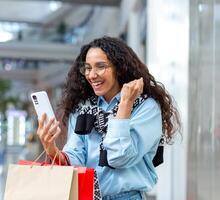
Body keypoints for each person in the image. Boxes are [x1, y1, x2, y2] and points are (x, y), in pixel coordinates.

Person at [36, 36, 181, 200]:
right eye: (88, 68)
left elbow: (119, 157)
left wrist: (126, 104)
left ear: (119, 68)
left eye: (100, 66)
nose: (92, 75)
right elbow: (76, 159)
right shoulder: (84, 109)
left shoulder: (145, 107)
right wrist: (51, 148)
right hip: (88, 196)